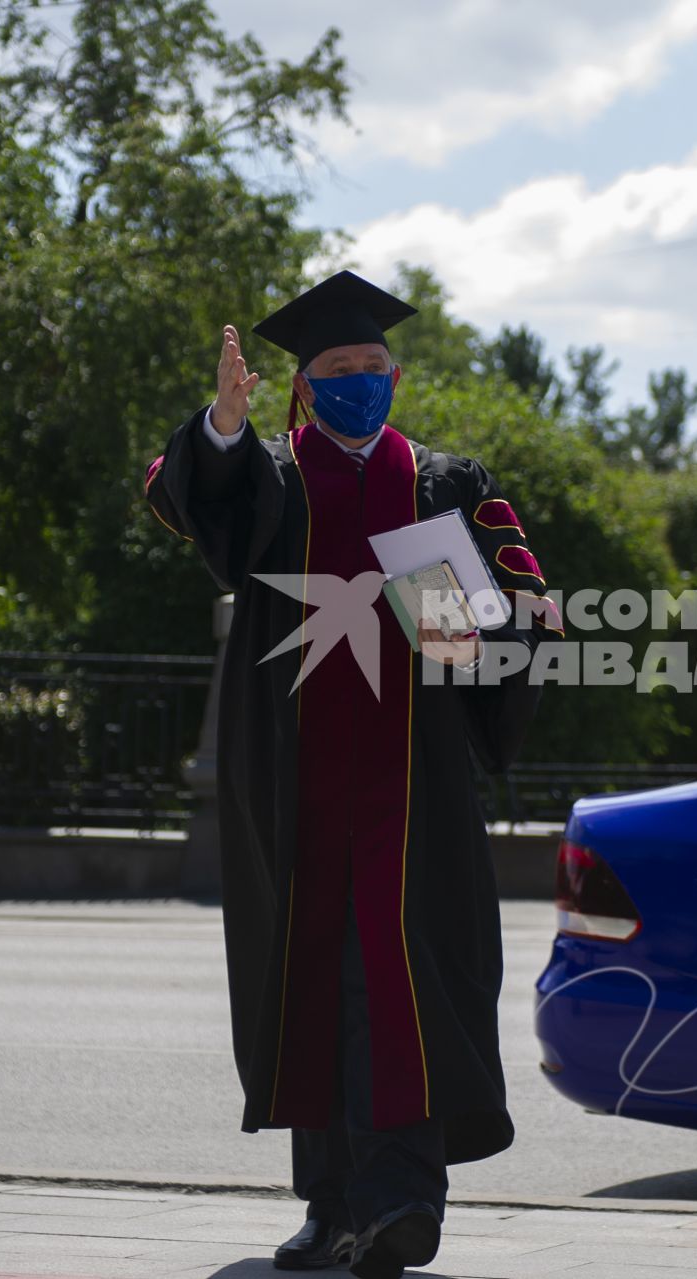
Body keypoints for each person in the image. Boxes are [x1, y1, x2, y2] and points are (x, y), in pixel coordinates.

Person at [143, 270, 560, 1277]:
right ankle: (330, 1205)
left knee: (403, 981)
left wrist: (511, 616)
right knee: (311, 982)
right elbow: (193, 503)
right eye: (338, 372)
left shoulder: (441, 484)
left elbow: (499, 612)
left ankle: (402, 1201)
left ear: (398, 375)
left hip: (411, 795)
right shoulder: (275, 476)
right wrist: (226, 425)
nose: (359, 385)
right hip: (294, 789)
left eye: (374, 369)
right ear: (304, 388)